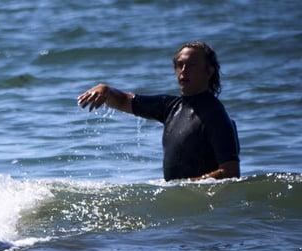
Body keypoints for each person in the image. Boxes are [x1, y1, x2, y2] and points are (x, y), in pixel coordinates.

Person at [77, 41, 240, 181]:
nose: (183, 70)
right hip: (182, 205)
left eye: (191, 65)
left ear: (209, 71)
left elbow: (231, 172)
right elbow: (125, 101)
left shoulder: (215, 115)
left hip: (205, 207)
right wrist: (105, 89)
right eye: (179, 65)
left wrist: (186, 187)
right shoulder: (170, 107)